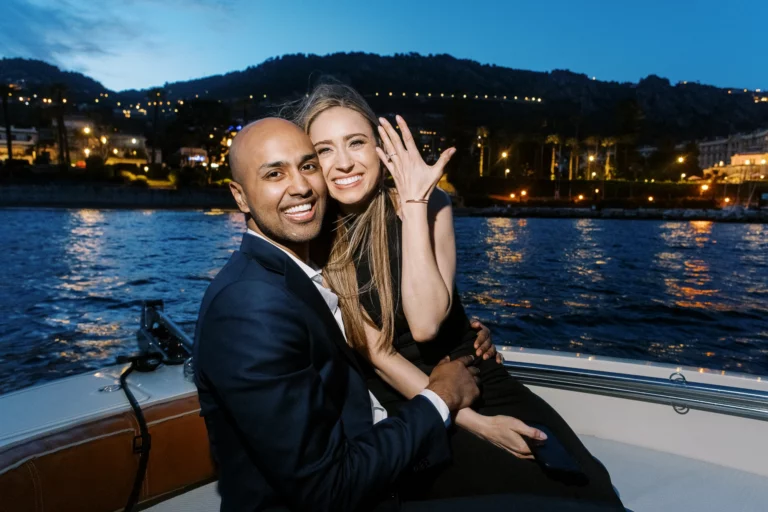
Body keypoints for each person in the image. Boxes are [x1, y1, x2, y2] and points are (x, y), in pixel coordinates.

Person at [294, 83, 624, 506]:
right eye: (324, 150)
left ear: (381, 147)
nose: (343, 162)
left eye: (355, 142)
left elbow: (430, 319)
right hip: (414, 400)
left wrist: (414, 204)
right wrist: (478, 425)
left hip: (480, 375)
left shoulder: (433, 203)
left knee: (590, 487)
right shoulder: (316, 240)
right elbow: (385, 352)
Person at [193, 117, 487, 511]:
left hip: (383, 462)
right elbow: (327, 488)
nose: (300, 186)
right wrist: (442, 396)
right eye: (275, 174)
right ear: (240, 196)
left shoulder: (294, 275)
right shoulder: (249, 306)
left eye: (308, 166)